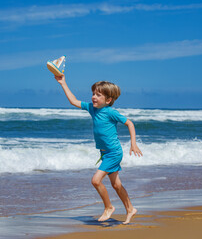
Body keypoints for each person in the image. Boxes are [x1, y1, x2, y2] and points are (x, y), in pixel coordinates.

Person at [55, 74, 143, 224]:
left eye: (98, 95)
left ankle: (109, 207)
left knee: (96, 181)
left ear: (108, 100)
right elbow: (74, 101)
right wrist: (63, 83)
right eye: (93, 93)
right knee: (116, 185)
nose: (94, 97)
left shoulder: (110, 112)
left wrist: (133, 144)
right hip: (105, 153)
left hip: (114, 153)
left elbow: (130, 123)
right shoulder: (92, 109)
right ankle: (130, 209)